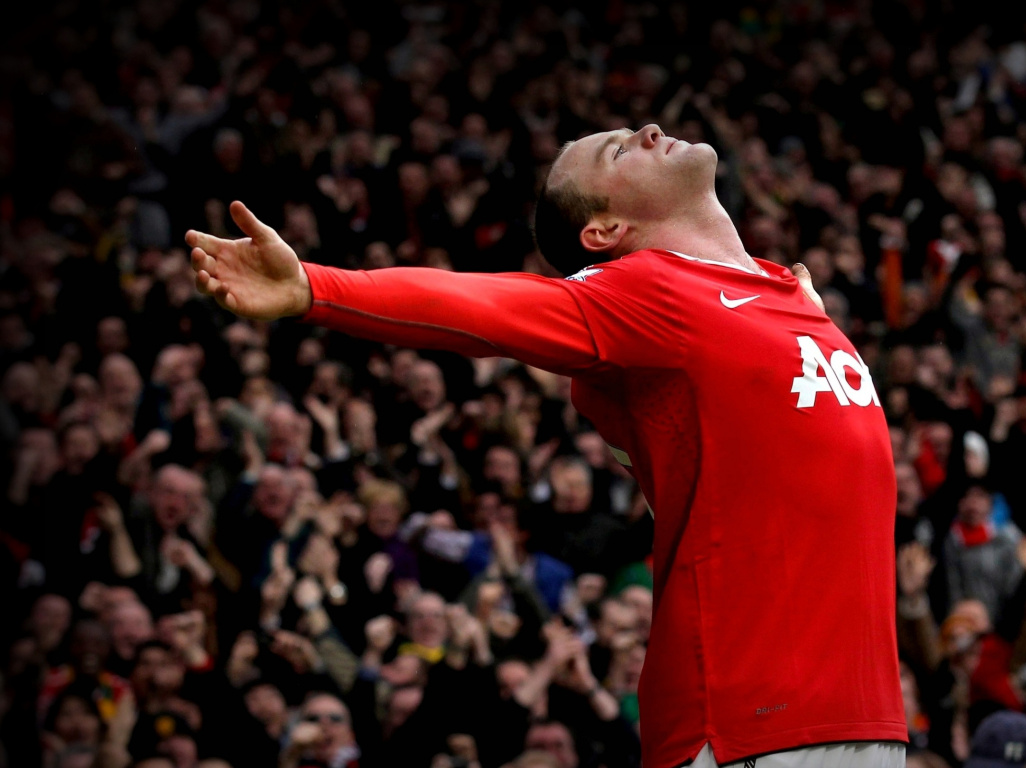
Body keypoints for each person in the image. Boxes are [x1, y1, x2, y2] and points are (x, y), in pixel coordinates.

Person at [185, 124, 906, 768]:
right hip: (754, 720)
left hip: (866, 716)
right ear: (605, 229)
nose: (650, 129)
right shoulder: (644, 291)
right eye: (617, 150)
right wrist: (315, 286)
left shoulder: (785, 294)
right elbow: (481, 305)